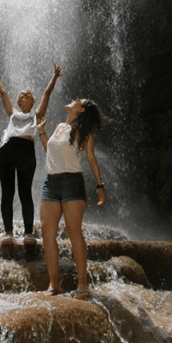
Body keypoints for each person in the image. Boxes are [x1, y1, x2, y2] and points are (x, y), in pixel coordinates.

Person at [37, 98, 112, 300]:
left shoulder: (84, 132)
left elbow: (91, 159)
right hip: (50, 183)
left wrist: (99, 187)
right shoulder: (59, 126)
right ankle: (54, 284)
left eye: (77, 100)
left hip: (72, 183)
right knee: (47, 232)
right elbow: (50, 152)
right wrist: (42, 132)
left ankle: (82, 284)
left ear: (80, 109)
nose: (72, 99)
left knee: (73, 231)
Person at [0, 64, 63, 246]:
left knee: (25, 192)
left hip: (26, 151)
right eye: (22, 94)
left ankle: (28, 233)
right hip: (7, 150)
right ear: (18, 102)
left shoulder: (36, 114)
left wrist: (54, 76)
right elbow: (4, 94)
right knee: (7, 192)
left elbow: (47, 94)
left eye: (29, 94)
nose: (25, 94)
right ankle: (8, 232)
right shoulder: (12, 113)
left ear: (32, 102)